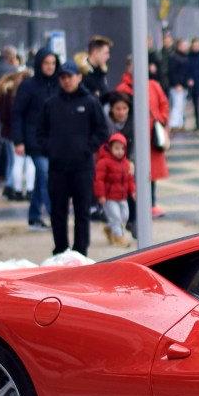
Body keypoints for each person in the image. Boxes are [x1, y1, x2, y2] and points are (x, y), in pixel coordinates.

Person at [40, 59, 108, 256]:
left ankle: (80, 251)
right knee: (58, 212)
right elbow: (40, 133)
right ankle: (60, 249)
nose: (66, 81)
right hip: (57, 167)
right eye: (62, 77)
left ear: (79, 77)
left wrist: (87, 149)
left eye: (70, 76)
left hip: (82, 167)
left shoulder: (90, 102)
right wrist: (49, 149)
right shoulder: (51, 104)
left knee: (82, 211)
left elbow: (102, 131)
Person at [112, 68, 170, 218]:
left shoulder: (152, 85)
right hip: (131, 138)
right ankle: (135, 208)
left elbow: (163, 104)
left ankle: (151, 204)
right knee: (132, 174)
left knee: (151, 173)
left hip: (151, 137)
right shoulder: (123, 89)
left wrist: (162, 119)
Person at [13, 49, 61, 229]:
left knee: (43, 176)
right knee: (45, 174)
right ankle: (53, 214)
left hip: (53, 140)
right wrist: (18, 141)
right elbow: (18, 113)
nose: (50, 67)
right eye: (46, 63)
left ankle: (34, 216)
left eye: (53, 63)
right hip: (34, 139)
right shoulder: (29, 86)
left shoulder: (58, 83)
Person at [94, 132, 135, 246]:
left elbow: (129, 179)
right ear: (110, 148)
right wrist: (101, 195)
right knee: (115, 217)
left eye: (122, 148)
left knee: (125, 215)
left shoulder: (126, 163)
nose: (120, 151)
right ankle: (119, 237)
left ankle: (110, 229)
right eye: (116, 148)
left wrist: (132, 191)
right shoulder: (104, 162)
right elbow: (99, 180)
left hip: (122, 196)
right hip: (109, 197)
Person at [0, 67, 26, 199]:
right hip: (12, 132)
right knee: (17, 162)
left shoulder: (2, 91)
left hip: (6, 130)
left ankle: (10, 185)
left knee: (12, 161)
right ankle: (13, 187)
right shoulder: (12, 94)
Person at [167, 38, 191, 130]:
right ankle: (174, 124)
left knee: (181, 106)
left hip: (184, 85)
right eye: (183, 45)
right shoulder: (174, 57)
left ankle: (180, 124)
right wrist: (176, 84)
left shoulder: (185, 57)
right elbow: (172, 72)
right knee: (177, 106)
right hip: (177, 86)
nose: (185, 47)